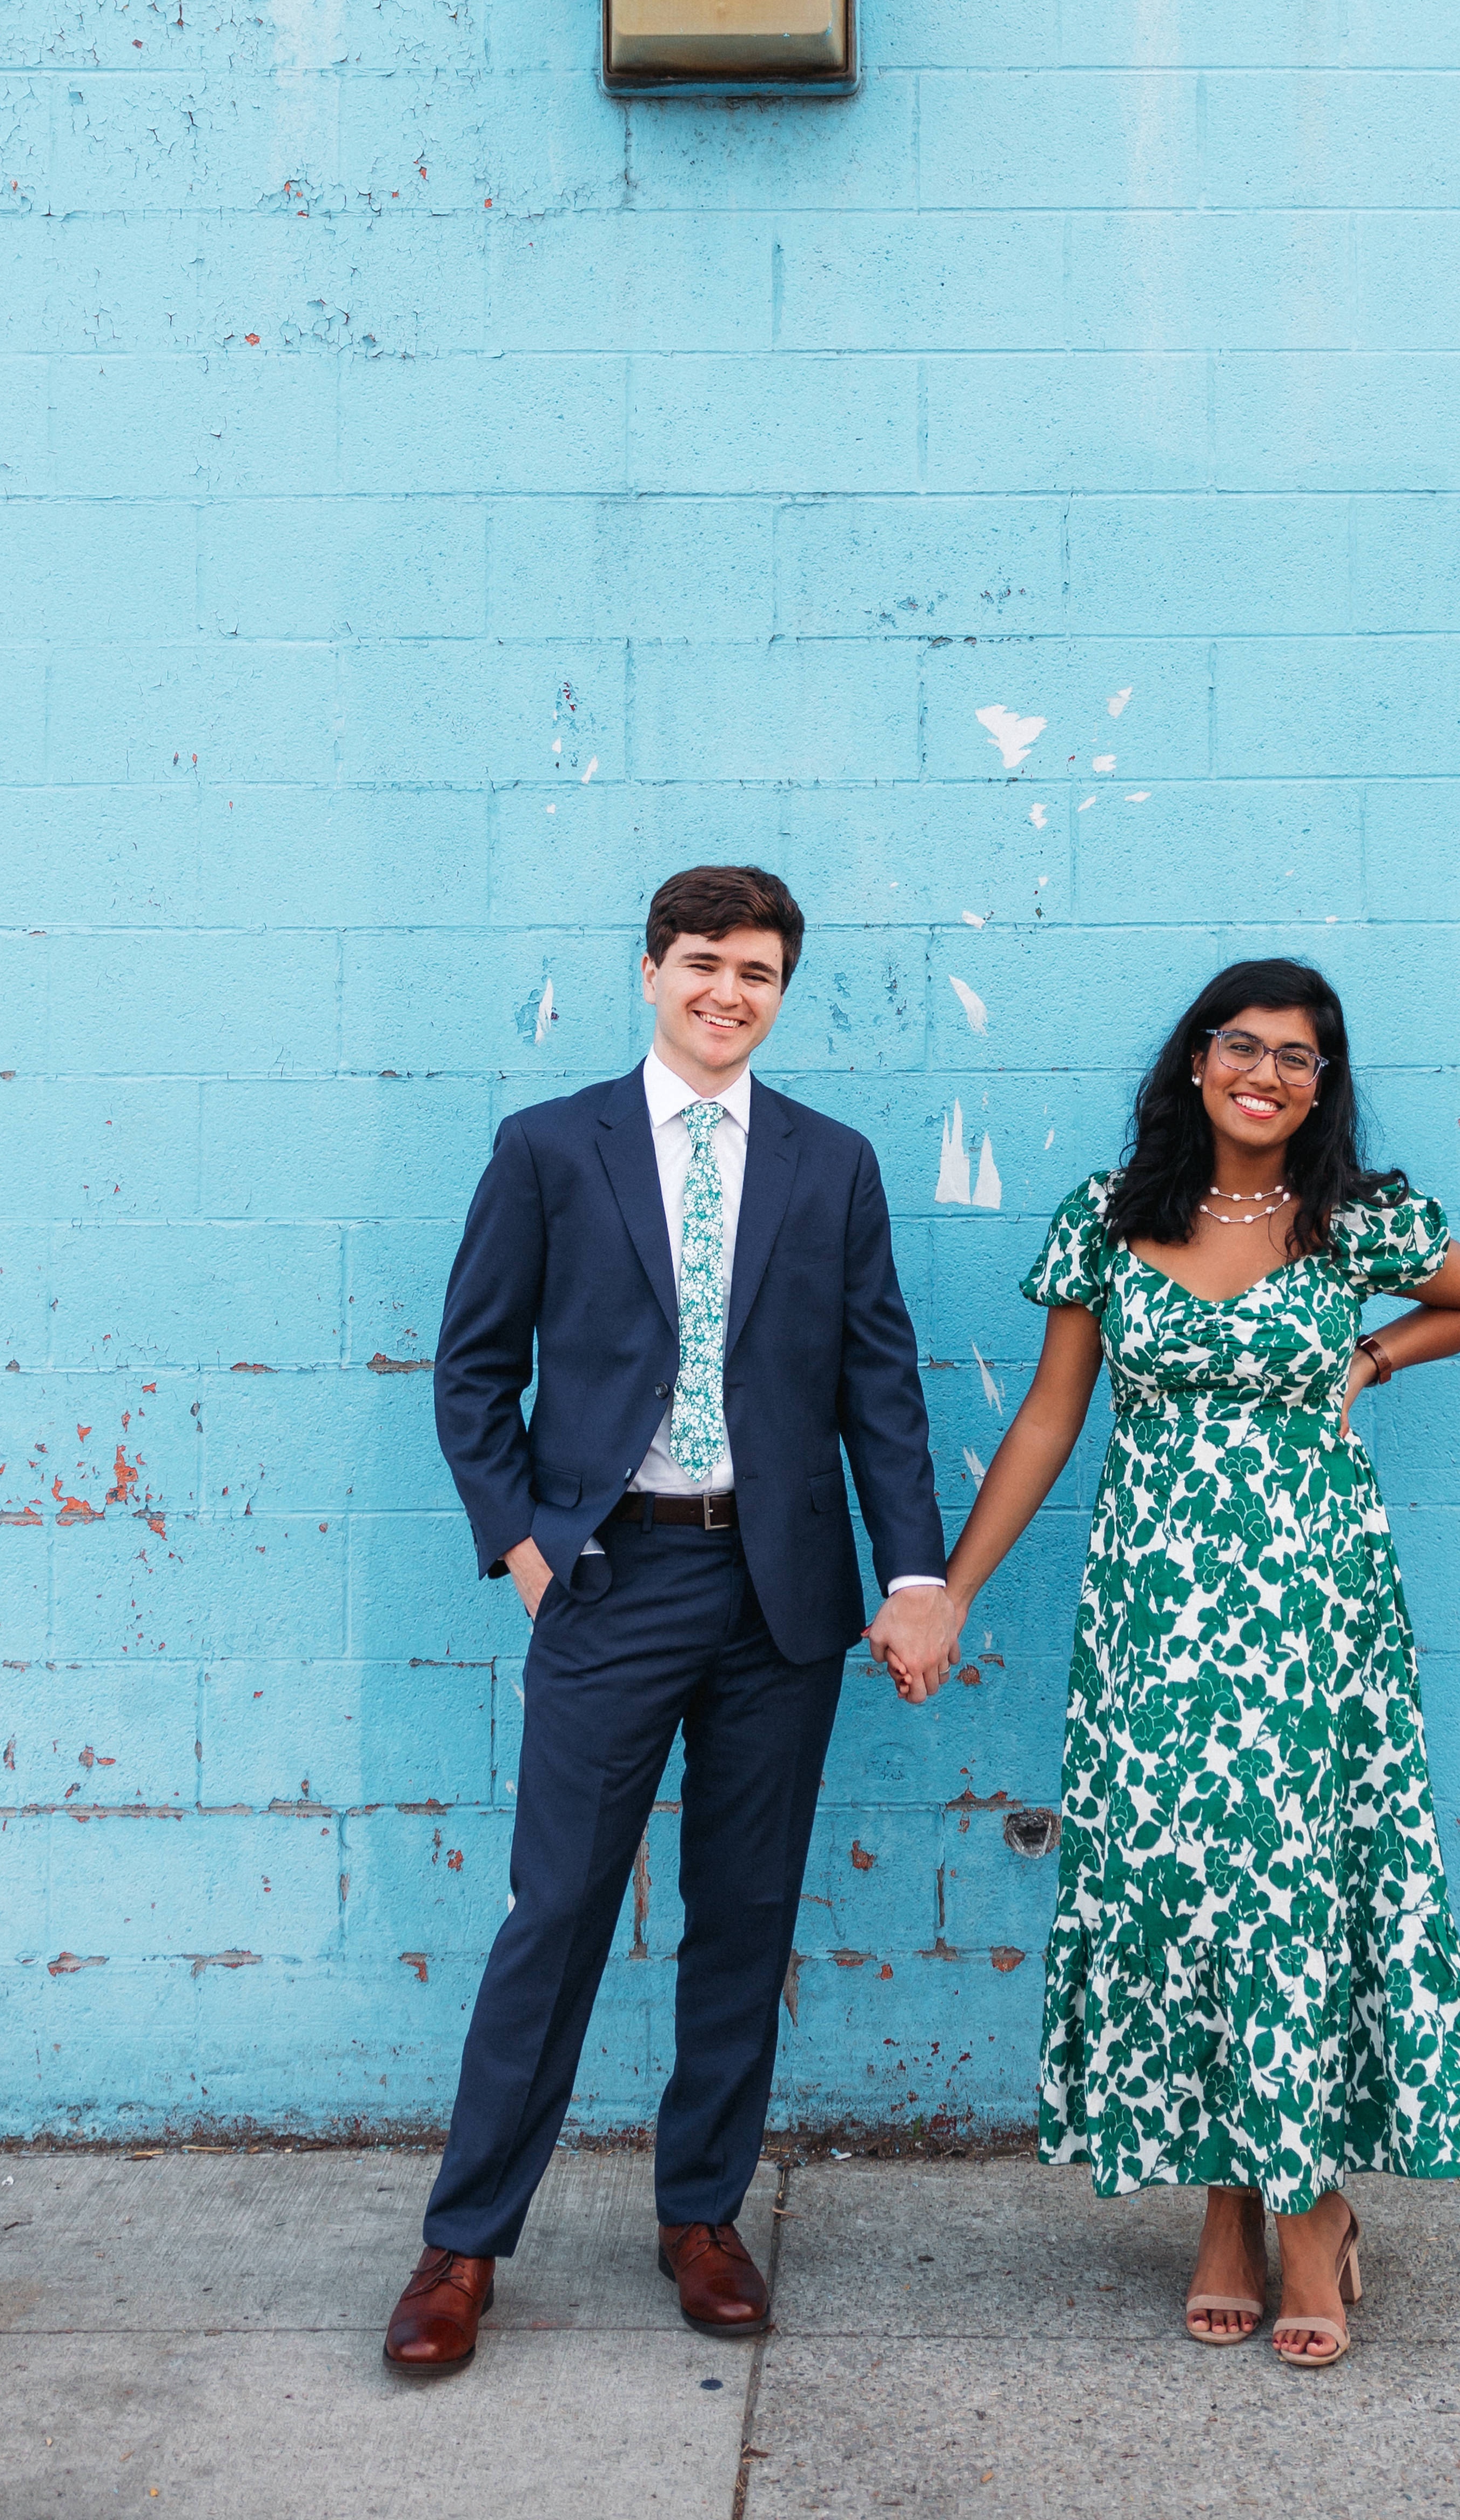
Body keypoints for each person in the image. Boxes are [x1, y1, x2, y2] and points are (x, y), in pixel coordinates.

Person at [892, 957, 1460, 2370]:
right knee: (1187, 1891)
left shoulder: (1356, 1220)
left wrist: (1370, 1364)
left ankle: (1300, 2219)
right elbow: (1051, 1420)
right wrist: (956, 1590)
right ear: (1196, 1062)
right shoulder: (1109, 1225)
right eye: (1245, 1046)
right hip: (1157, 1617)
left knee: (1287, 1887)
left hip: (1313, 1614)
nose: (1268, 1074)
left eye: (1301, 1057)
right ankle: (1233, 2198)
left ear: (1320, 1084)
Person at [384, 864, 958, 2374]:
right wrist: (525, 1546)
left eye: (759, 971)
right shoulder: (549, 1148)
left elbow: (877, 1383)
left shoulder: (830, 1164)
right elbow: (470, 1370)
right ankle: (462, 2243)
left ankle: (701, 2215)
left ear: (781, 990)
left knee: (745, 1912)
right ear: (651, 971)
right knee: (558, 1910)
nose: (729, 992)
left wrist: (913, 1576)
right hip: (611, 1577)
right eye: (704, 962)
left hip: (779, 1593)